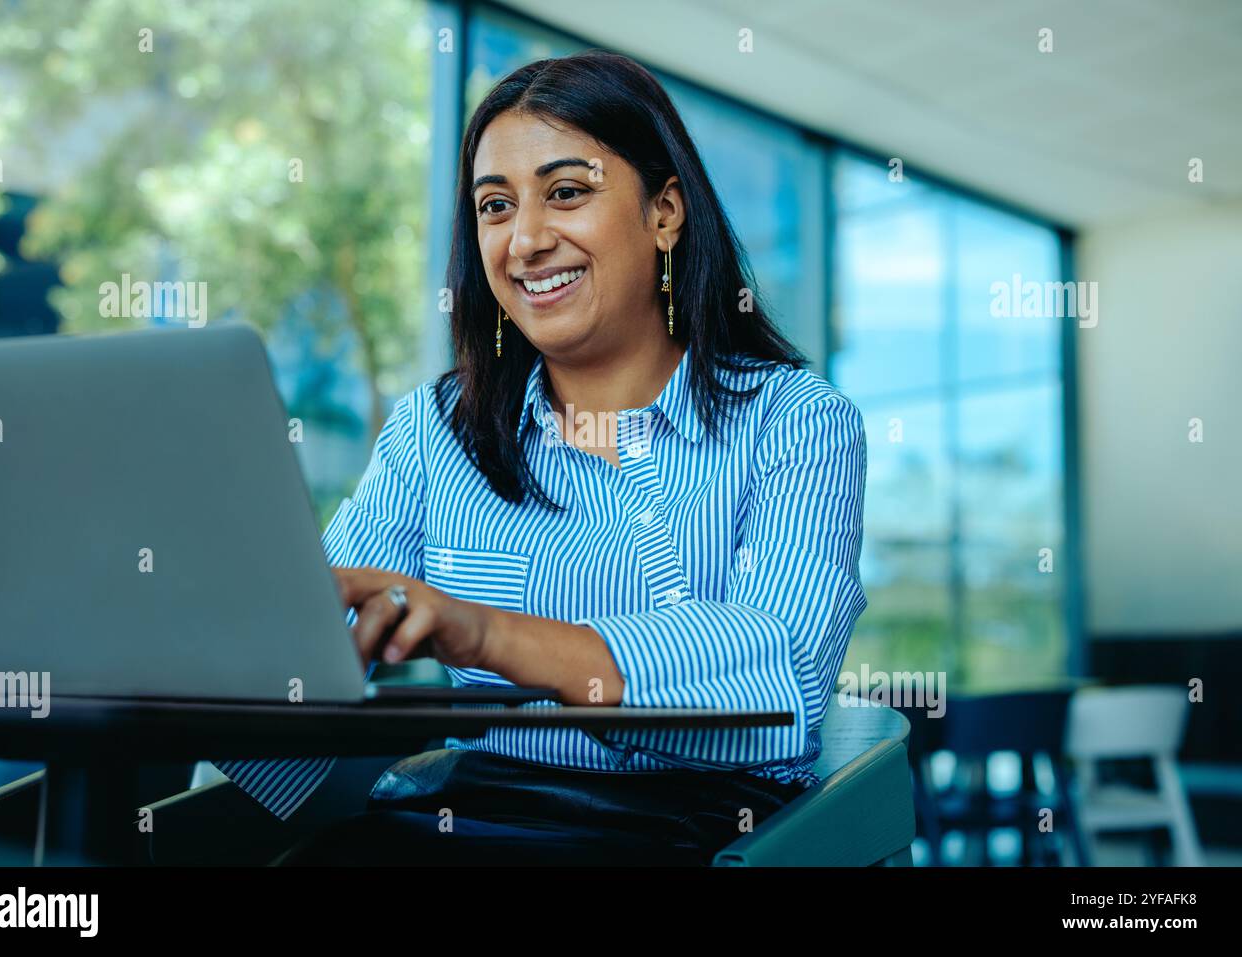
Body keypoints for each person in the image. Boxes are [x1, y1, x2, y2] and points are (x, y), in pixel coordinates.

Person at [227, 49, 867, 866]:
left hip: (694, 835)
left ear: (664, 210)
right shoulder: (435, 429)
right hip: (468, 819)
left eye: (567, 192)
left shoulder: (796, 421)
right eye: (495, 206)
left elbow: (781, 667)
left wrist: (486, 632)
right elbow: (322, 640)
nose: (525, 240)